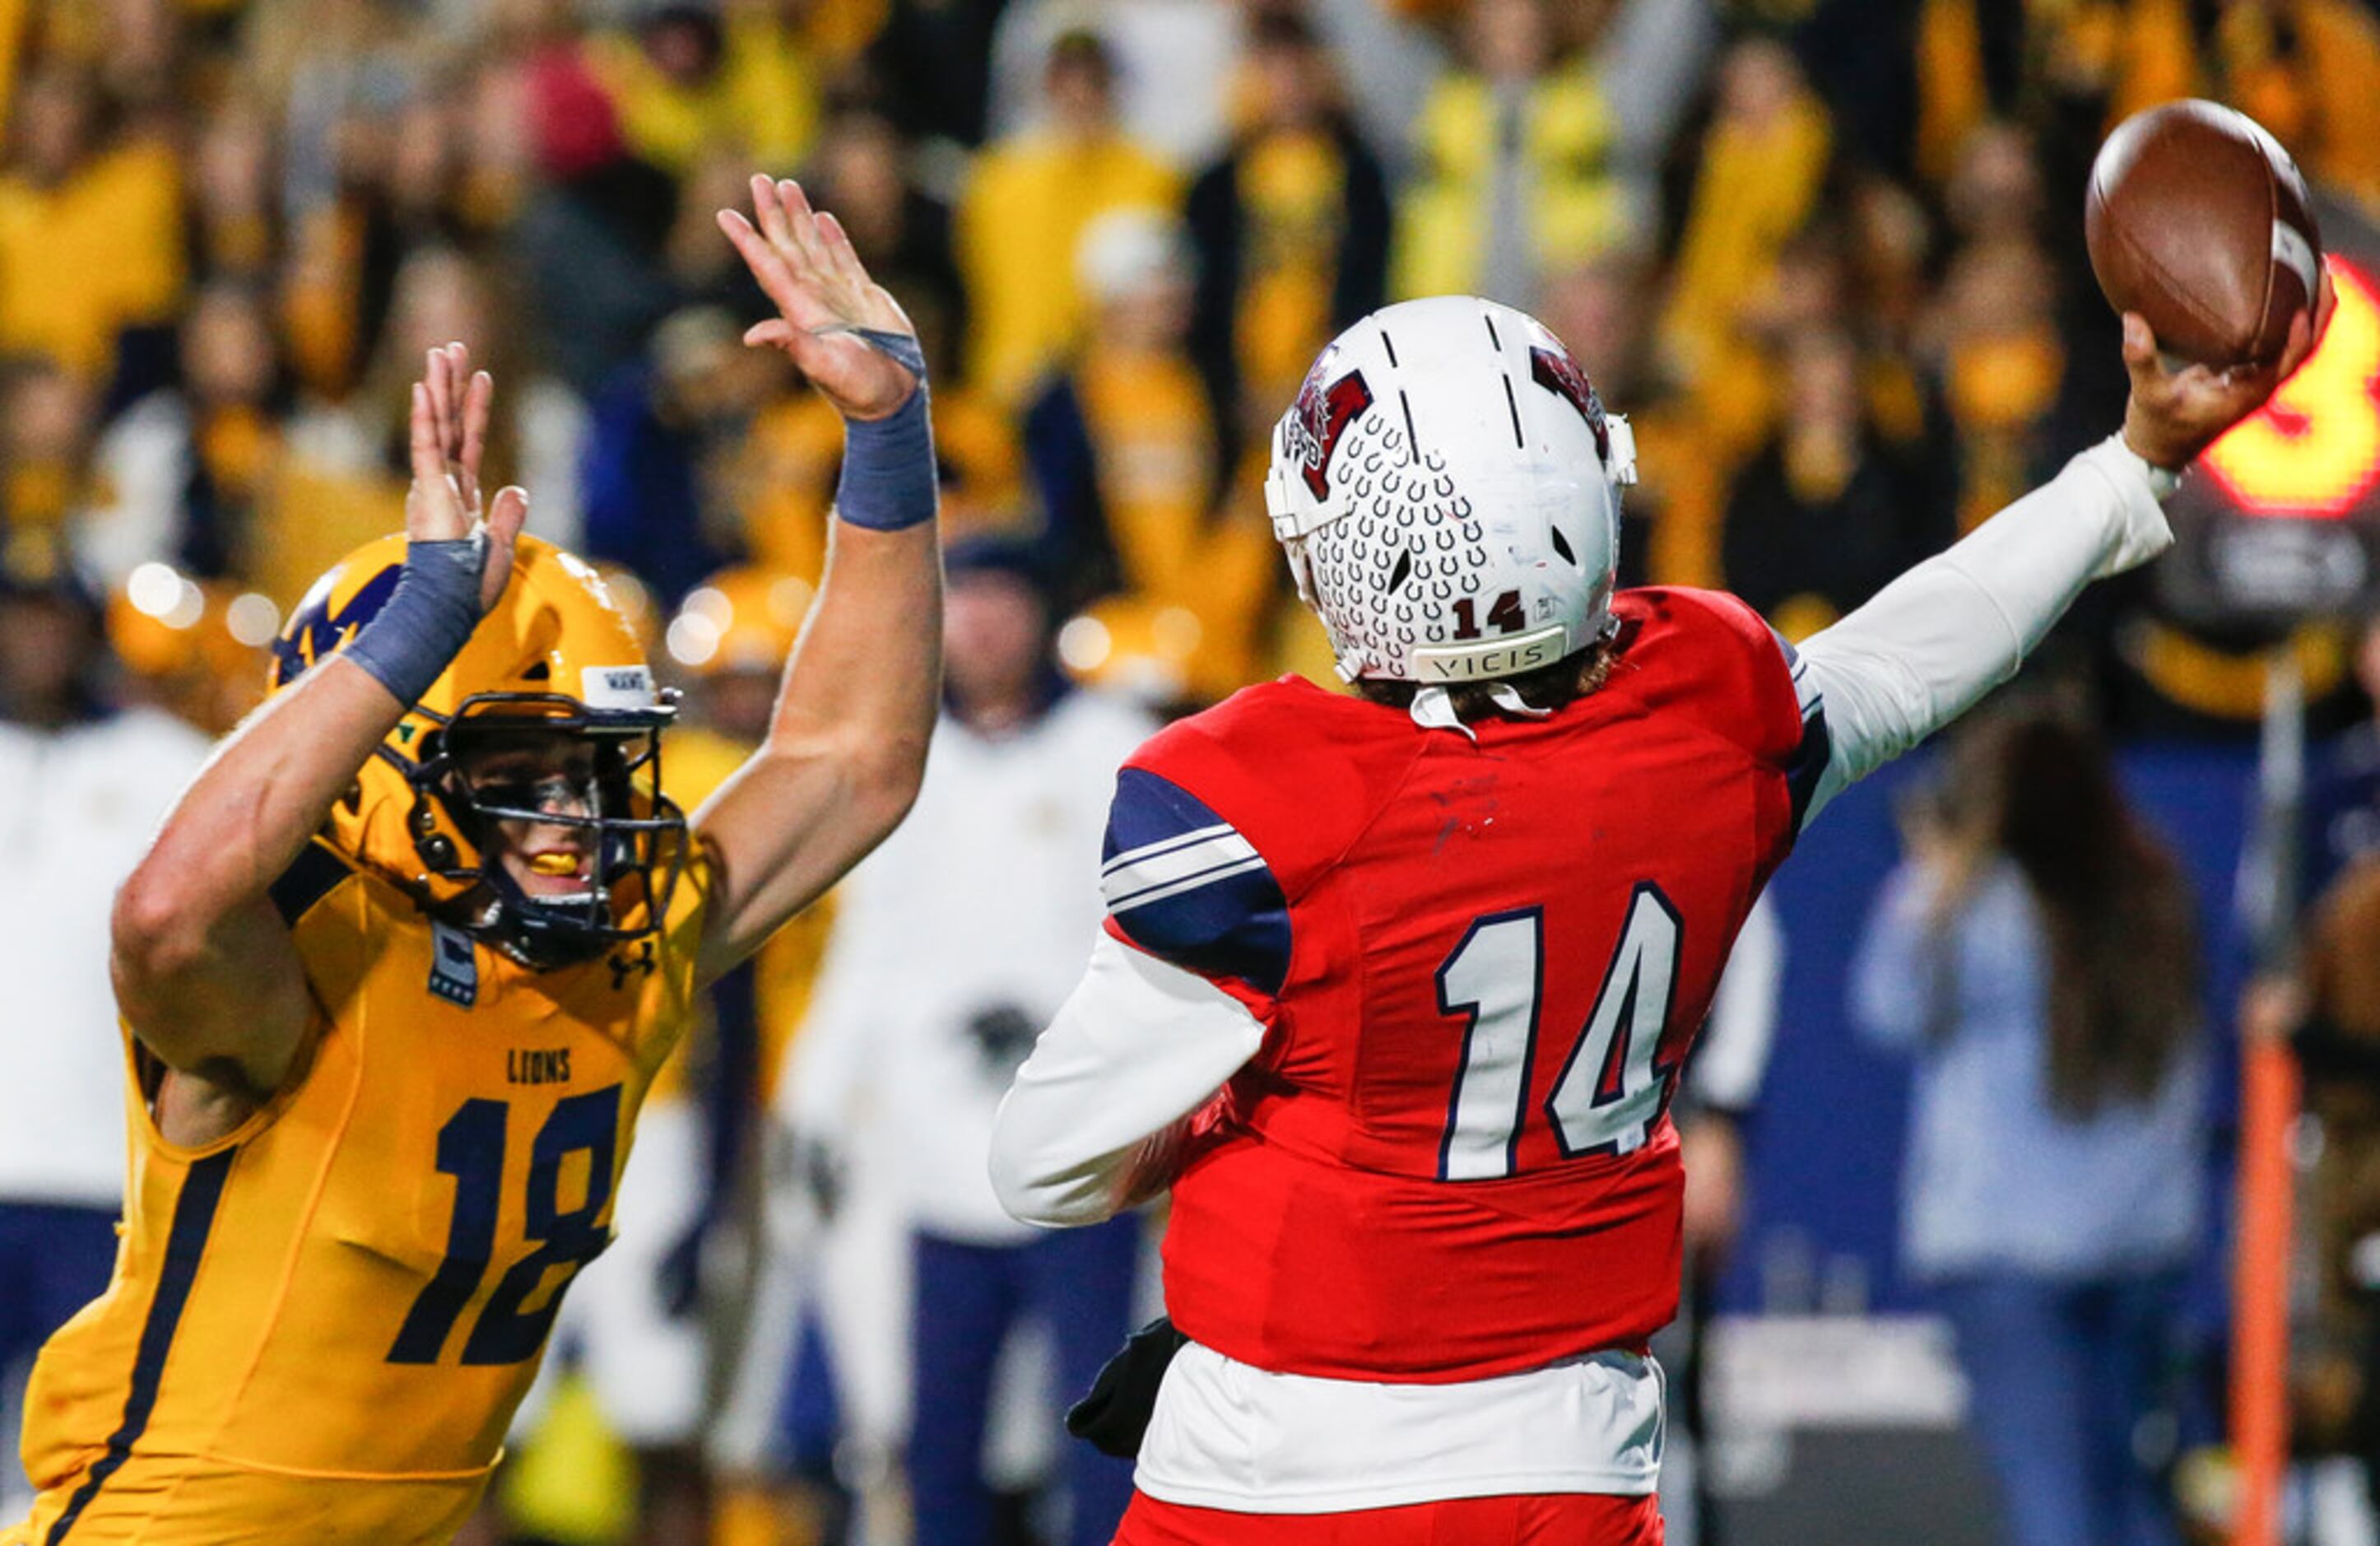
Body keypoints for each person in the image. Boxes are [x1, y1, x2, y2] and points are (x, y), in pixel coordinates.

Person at [987, 270, 2328, 1537]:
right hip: (1567, 1455)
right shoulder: (1701, 726)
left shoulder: (1259, 805)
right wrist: (2130, 460)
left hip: (1272, 1457)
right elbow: (1926, 643)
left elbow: (1044, 1165)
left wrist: (1239, 1132)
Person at [1, 175, 942, 1546]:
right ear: (388, 765)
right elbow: (162, 915)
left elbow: (856, 757)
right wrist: (418, 624)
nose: (569, 818)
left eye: (588, 769)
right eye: (514, 781)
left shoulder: (627, 938)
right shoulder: (312, 965)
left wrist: (890, 433)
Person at [789, 542, 1157, 1546]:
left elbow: (1156, 943)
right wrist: (812, 1099)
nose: (987, 625)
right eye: (969, 603)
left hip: (1088, 1155)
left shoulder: (1116, 748)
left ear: (1042, 612)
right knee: (930, 1434)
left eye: (1007, 598)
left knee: (1102, 1429)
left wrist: (1053, 1022)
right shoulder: (904, 758)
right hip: (931, 1157)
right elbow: (864, 946)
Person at [1849, 711, 2205, 1546]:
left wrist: (1928, 878)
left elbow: (1884, 1007)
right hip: (2142, 1246)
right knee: (2129, 1505)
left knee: (2059, 1513)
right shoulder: (2153, 893)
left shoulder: (1974, 908)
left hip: (2007, 1257)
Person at [0, 560, 211, 1516]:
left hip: (107, 1182)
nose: (37, 639)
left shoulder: (165, 762)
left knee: (97, 1476)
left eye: (55, 616)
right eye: (19, 617)